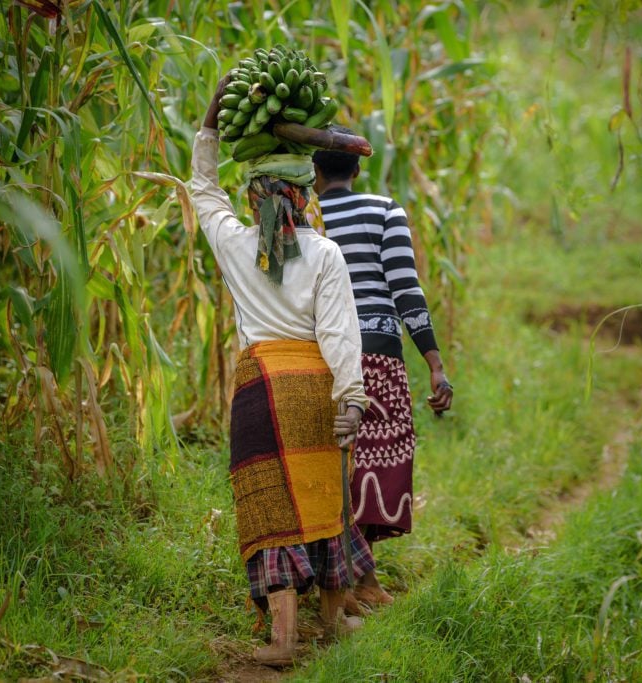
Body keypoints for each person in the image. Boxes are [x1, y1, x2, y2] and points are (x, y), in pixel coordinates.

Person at [189, 77, 373, 667]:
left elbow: (201, 189)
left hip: (259, 391)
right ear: (303, 195)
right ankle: (332, 621)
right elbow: (341, 333)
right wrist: (350, 398)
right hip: (315, 387)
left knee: (272, 513)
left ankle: (283, 641)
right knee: (327, 502)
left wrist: (211, 121)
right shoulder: (324, 253)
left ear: (253, 199)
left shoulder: (235, 244)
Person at [312, 131, 454, 608]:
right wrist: (434, 363)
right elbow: (406, 291)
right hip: (376, 355)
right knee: (376, 461)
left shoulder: (306, 217)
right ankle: (358, 580)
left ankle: (351, 580)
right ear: (356, 169)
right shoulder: (385, 210)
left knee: (337, 464)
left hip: (320, 357)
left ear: (313, 174)